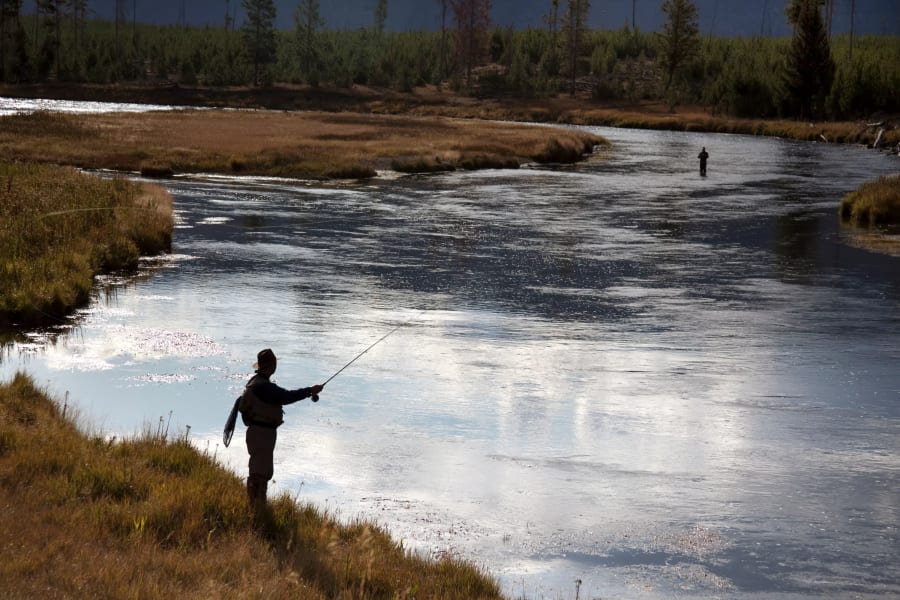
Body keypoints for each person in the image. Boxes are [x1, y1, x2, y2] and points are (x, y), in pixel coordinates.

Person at [239, 348, 323, 510]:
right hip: (262, 434)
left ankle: (255, 507)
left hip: (258, 433)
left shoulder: (256, 382)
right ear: (272, 366)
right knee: (260, 473)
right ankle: (257, 510)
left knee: (259, 471)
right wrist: (310, 391)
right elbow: (286, 397)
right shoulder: (264, 387)